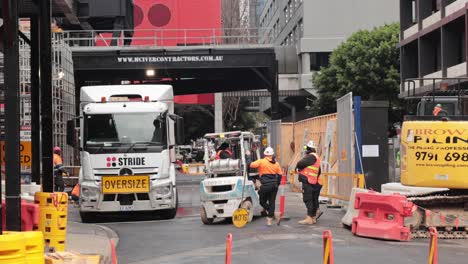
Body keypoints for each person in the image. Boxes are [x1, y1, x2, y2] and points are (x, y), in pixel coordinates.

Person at [249, 147, 282, 226]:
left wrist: (248, 156)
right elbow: (280, 175)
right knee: (272, 202)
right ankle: (270, 219)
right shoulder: (276, 163)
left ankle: (273, 214)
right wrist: (277, 183)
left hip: (265, 186)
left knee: (262, 201)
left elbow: (251, 165)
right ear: (272, 154)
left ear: (264, 154)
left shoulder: (261, 161)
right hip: (274, 185)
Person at [296, 141, 323, 225]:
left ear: (308, 148)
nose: (305, 150)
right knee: (313, 199)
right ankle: (313, 217)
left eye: (305, 148)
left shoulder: (311, 156)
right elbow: (318, 171)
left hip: (308, 180)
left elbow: (300, 163)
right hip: (313, 181)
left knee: (308, 199)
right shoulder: (316, 157)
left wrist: (298, 168)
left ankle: (309, 218)